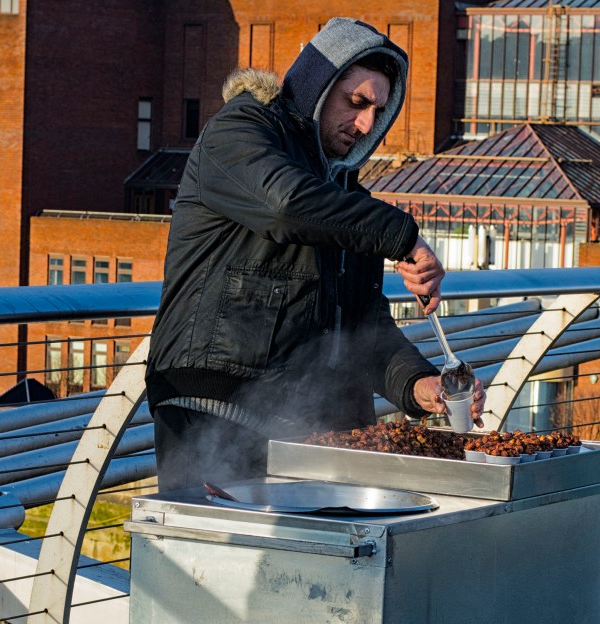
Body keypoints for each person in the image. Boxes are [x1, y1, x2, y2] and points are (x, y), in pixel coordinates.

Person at [146, 17, 486, 491]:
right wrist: (403, 236)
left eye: (378, 111)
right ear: (317, 87)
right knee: (216, 540)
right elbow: (285, 206)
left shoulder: (345, 198)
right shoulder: (238, 132)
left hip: (305, 429)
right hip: (213, 413)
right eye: (356, 102)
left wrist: (418, 385)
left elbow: (362, 328)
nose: (366, 124)